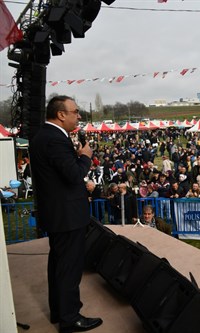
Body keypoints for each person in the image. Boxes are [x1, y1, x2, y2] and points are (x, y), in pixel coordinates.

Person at [29, 96, 103, 332]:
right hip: (67, 216)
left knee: (59, 265)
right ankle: (70, 318)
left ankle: (59, 311)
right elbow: (72, 175)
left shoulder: (44, 136)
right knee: (69, 268)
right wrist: (85, 157)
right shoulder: (54, 140)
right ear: (61, 114)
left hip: (59, 213)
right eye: (76, 111)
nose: (79, 116)